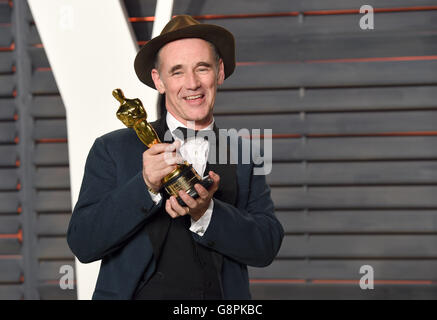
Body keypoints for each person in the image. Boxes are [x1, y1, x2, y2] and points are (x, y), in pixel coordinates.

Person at [67, 15, 284, 300]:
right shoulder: (112, 149)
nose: (192, 83)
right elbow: (83, 243)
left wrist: (207, 213)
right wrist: (144, 184)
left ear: (219, 72)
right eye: (177, 72)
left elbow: (266, 245)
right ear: (159, 80)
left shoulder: (245, 155)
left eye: (202, 68)